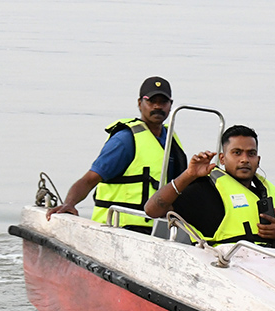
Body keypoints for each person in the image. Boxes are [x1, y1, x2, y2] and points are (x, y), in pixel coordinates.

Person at [46, 76, 186, 232]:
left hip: (158, 227)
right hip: (119, 226)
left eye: (163, 102)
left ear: (171, 105)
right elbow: (89, 179)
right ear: (140, 103)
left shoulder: (170, 139)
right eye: (151, 101)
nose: (157, 106)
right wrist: (69, 204)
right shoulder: (125, 140)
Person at [144, 125, 275, 250]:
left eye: (251, 154)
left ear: (258, 160)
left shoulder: (268, 195)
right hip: (225, 272)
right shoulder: (204, 191)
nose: (244, 160)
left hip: (272, 274)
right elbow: (152, 210)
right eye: (237, 153)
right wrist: (189, 175)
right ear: (222, 159)